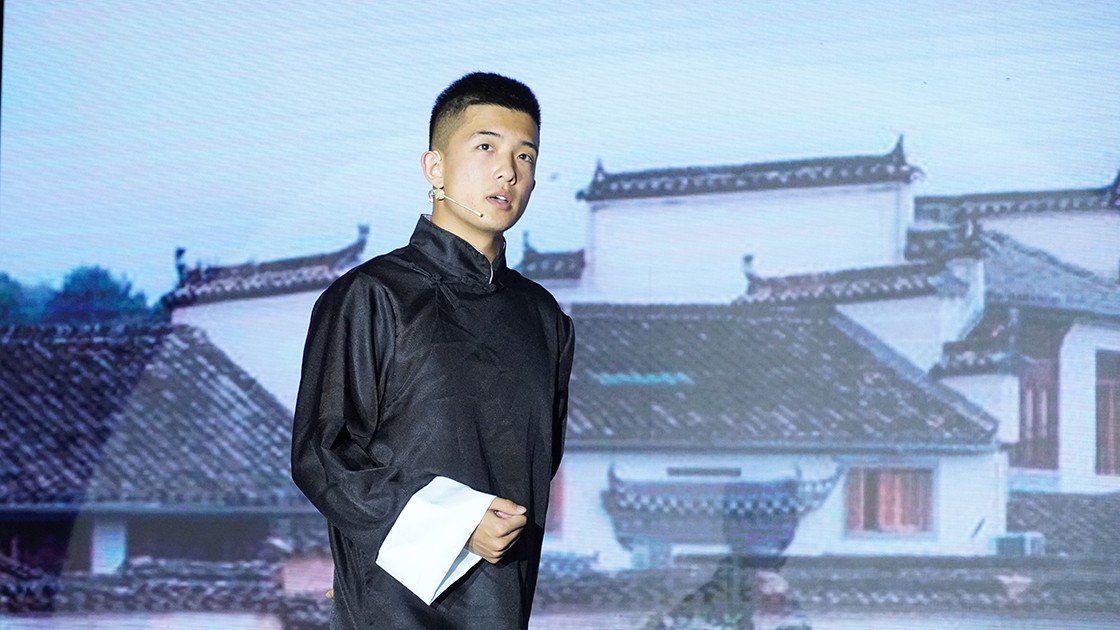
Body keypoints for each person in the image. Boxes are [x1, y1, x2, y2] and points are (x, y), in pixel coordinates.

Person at [291, 72, 574, 629]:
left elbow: (541, 461)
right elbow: (322, 453)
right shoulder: (372, 295)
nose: (507, 171)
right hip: (393, 606)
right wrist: (456, 525)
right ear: (435, 167)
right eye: (486, 147)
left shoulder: (544, 318)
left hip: (504, 602)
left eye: (525, 156)